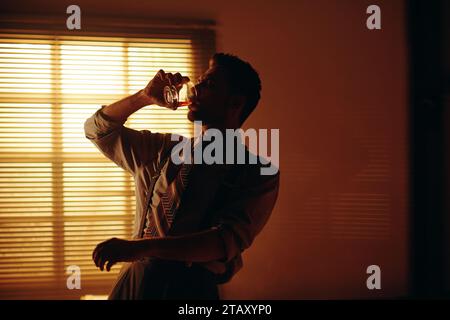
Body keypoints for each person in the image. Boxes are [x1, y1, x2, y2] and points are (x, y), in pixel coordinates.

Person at [84, 53, 280, 299]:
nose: (196, 88)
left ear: (235, 104)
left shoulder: (256, 172)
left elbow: (223, 241)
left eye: (209, 84)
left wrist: (140, 248)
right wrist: (144, 97)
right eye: (199, 81)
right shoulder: (163, 149)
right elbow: (96, 129)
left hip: (191, 293)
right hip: (133, 287)